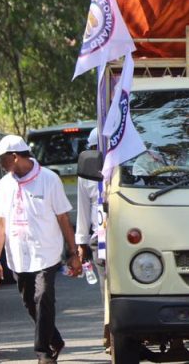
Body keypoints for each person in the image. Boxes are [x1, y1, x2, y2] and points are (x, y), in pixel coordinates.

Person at [0, 134, 79, 363]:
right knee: (30, 302)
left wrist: (74, 253)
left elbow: (63, 218)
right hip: (18, 254)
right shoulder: (5, 184)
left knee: (43, 297)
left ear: (15, 156)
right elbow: (0, 225)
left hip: (46, 252)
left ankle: (43, 352)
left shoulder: (49, 179)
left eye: (3, 158)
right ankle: (54, 339)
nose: (0, 163)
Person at [76, 129, 109, 349]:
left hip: (130, 236)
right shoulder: (86, 176)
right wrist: (81, 243)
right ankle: (110, 329)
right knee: (106, 286)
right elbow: (83, 210)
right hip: (101, 240)